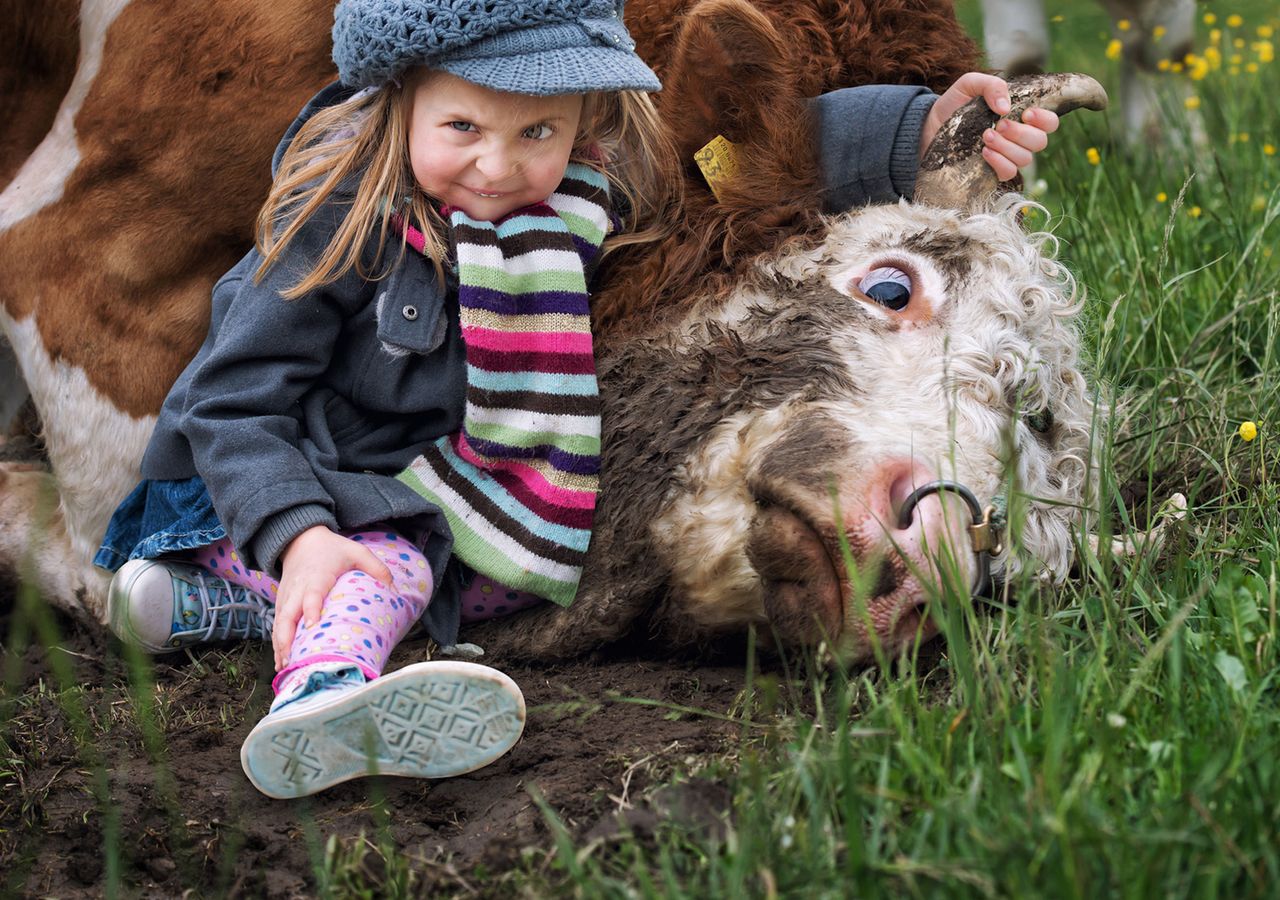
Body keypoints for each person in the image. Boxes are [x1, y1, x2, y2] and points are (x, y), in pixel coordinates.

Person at [94, 0, 1059, 800]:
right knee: (385, 572)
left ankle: (200, 603)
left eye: (539, 131)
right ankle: (321, 702)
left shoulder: (576, 194)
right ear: (395, 107)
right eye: (463, 127)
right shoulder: (334, 225)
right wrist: (299, 531)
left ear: (581, 122)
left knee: (506, 573)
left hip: (422, 481)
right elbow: (228, 405)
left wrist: (916, 130)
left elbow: (749, 149)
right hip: (292, 480)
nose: (500, 167)